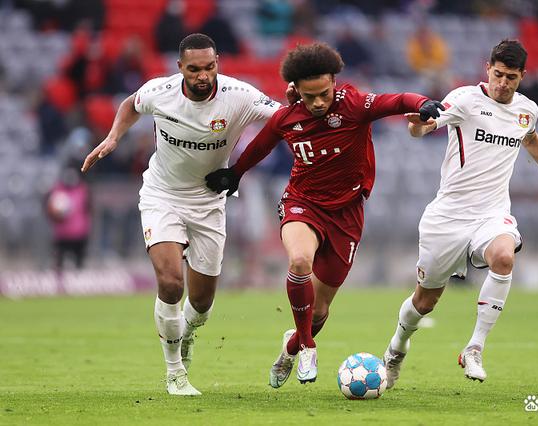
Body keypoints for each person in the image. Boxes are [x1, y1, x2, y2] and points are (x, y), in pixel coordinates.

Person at [205, 42, 442, 387]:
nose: (317, 103)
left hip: (347, 213)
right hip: (303, 202)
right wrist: (236, 173)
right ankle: (308, 347)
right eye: (309, 96)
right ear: (296, 90)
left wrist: (422, 104)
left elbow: (397, 100)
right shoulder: (287, 118)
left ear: (334, 81)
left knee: (318, 311)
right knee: (300, 261)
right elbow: (261, 145)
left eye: (324, 94)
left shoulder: (355, 105)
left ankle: (291, 347)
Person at [80, 33, 281, 395]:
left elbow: (284, 117)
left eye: (209, 67)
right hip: (162, 196)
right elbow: (130, 104)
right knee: (172, 283)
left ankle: (187, 333)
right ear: (180, 68)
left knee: (201, 304)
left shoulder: (240, 96)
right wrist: (113, 137)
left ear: (217, 62)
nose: (203, 75)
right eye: (194, 69)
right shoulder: (161, 91)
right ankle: (175, 373)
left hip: (209, 203)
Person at [382, 39, 538, 388]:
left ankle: (474, 347)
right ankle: (397, 348)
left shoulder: (527, 110)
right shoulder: (464, 99)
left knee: (504, 257)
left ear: (522, 76)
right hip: (447, 217)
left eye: (511, 78)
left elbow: (530, 137)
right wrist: (416, 125)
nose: (502, 83)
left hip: (492, 213)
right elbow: (424, 127)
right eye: (498, 74)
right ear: (487, 68)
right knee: (425, 301)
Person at [46, 166, 92, 270]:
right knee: (59, 263)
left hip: (79, 233)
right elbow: (49, 210)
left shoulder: (83, 190)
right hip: (61, 234)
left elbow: (88, 209)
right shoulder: (57, 190)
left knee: (79, 264)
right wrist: (54, 214)